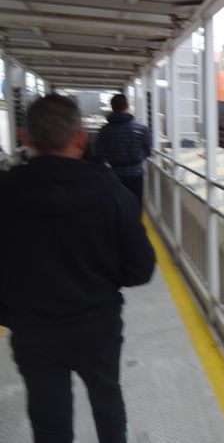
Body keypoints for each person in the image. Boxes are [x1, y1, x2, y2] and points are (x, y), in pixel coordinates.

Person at [0, 94, 155, 443]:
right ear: (82, 138)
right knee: (106, 396)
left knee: (48, 416)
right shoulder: (113, 193)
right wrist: (103, 281)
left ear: (24, 137)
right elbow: (141, 269)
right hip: (97, 325)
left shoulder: (4, 192)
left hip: (32, 329)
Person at [95, 94, 152, 208]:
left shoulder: (105, 130)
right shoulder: (142, 129)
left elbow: (99, 156)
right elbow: (148, 152)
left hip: (114, 174)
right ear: (127, 106)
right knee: (136, 204)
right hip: (136, 174)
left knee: (117, 205)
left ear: (112, 107)